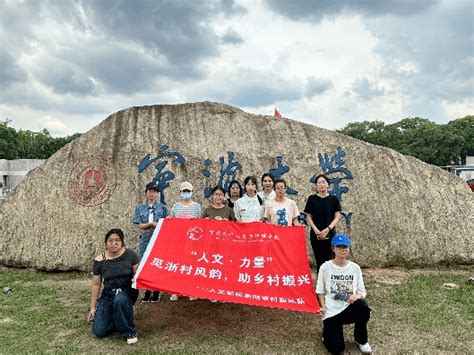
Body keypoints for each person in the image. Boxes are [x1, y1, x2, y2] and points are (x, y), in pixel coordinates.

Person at [316, 234, 372, 354]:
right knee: (337, 349)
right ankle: (327, 334)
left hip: (349, 307)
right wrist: (323, 306)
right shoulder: (325, 267)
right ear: (333, 248)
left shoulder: (355, 268)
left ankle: (361, 340)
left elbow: (362, 292)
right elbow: (320, 291)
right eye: (339, 247)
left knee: (363, 309)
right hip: (332, 310)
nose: (342, 250)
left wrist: (355, 296)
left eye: (345, 247)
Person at [87, 229, 140, 345]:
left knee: (120, 300)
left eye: (117, 240)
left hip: (128, 290)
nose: (113, 243)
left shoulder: (131, 255)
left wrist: (135, 277)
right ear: (106, 243)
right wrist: (92, 307)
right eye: (110, 241)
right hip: (108, 293)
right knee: (99, 331)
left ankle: (129, 333)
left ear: (122, 242)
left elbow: (137, 273)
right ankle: (118, 317)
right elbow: (96, 284)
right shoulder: (99, 260)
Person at [132, 182, 168, 303]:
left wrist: (156, 225)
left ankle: (156, 290)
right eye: (149, 191)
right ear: (146, 193)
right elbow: (139, 225)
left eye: (154, 192)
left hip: (158, 238)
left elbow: (165, 224)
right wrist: (150, 224)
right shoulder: (139, 208)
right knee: (145, 262)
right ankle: (147, 289)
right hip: (145, 238)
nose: (151, 194)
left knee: (157, 262)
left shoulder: (162, 208)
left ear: (157, 194)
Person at [169, 181, 202, 301]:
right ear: (180, 192)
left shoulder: (197, 206)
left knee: (191, 265)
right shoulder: (175, 206)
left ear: (192, 192)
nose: (186, 193)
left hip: (193, 241)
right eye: (184, 191)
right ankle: (175, 291)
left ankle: (191, 290)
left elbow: (200, 224)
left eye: (188, 191)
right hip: (179, 241)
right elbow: (171, 222)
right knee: (178, 265)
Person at [304, 174, 341, 272]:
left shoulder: (333, 199)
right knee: (319, 259)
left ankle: (329, 282)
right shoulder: (312, 199)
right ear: (316, 186)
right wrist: (316, 230)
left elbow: (337, 217)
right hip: (316, 234)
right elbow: (308, 216)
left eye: (323, 182)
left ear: (328, 184)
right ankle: (320, 283)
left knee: (330, 258)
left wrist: (328, 229)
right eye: (319, 183)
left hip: (330, 233)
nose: (321, 184)